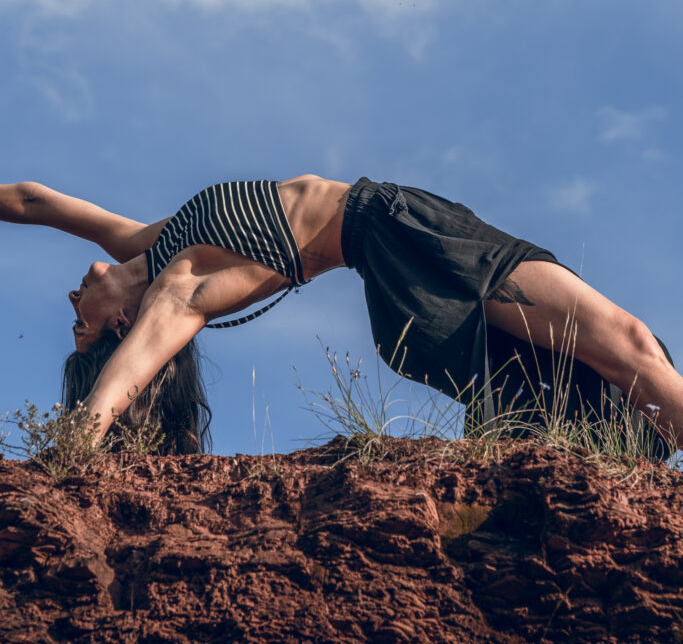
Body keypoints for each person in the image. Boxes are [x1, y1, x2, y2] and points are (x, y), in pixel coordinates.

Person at [0, 175, 680, 457]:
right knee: (622, 343)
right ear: (117, 325)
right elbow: (109, 396)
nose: (75, 295)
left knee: (591, 364)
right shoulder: (178, 292)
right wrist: (76, 446)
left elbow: (32, 203)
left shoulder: (145, 244)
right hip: (401, 236)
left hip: (400, 234)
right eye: (76, 317)